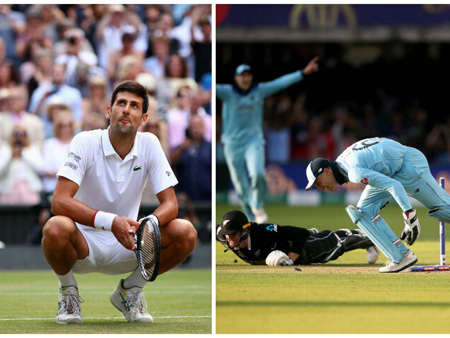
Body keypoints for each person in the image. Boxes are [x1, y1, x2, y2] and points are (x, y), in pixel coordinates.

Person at [41, 81, 197, 324]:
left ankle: (131, 290)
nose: (126, 110)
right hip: (82, 245)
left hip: (129, 243)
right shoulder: (85, 141)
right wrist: (111, 222)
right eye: (121, 103)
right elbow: (59, 202)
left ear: (143, 118)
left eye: (134, 106)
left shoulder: (150, 144)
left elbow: (171, 205)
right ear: (108, 111)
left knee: (185, 232)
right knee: (55, 227)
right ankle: (68, 291)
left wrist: (148, 226)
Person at [305, 137, 450, 273]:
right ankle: (401, 256)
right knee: (362, 212)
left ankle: (401, 257)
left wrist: (409, 215)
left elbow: (394, 185)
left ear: (327, 171)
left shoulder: (354, 172)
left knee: (443, 210)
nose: (319, 188)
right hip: (393, 169)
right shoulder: (343, 162)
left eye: (318, 182)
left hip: (408, 166)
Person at [216, 57, 319, 223]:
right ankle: (250, 217)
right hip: (232, 144)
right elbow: (209, 88)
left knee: (257, 173)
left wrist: (302, 73)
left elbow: (281, 83)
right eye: (242, 75)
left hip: (253, 141)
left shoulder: (259, 91)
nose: (245, 78)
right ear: (236, 78)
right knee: (240, 184)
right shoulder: (228, 92)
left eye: (248, 75)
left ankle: (257, 205)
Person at [216, 210, 379, 266]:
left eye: (233, 234)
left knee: (335, 246)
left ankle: (369, 235)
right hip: (288, 249)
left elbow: (299, 232)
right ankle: (315, 234)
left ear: (245, 231)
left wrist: (292, 258)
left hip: (301, 247)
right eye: (227, 235)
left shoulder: (262, 231)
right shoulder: (224, 237)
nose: (229, 240)